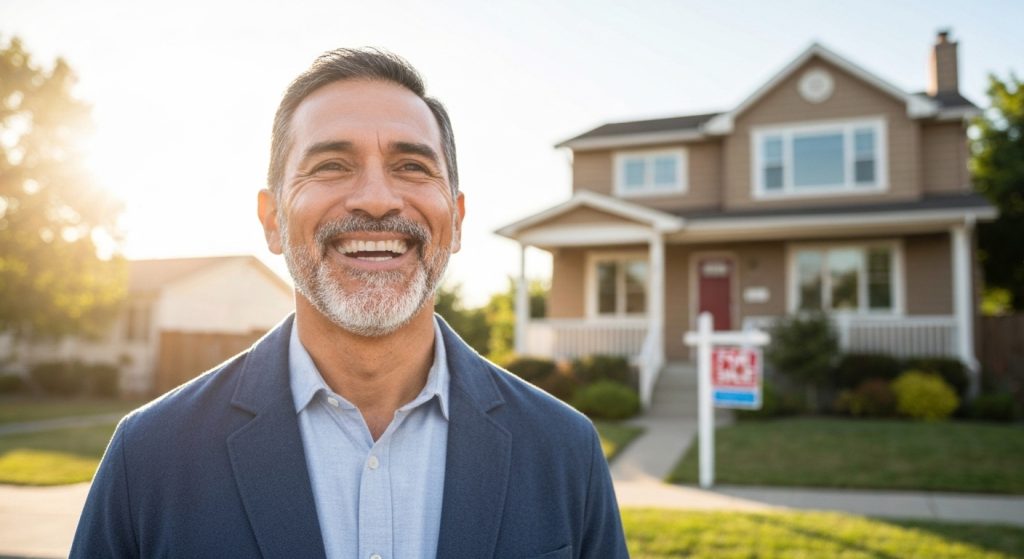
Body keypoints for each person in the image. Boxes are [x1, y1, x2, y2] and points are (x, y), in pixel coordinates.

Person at [70, 48, 629, 559]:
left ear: (456, 220)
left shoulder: (565, 452)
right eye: (332, 165)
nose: (377, 199)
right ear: (273, 220)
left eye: (412, 166)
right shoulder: (147, 458)